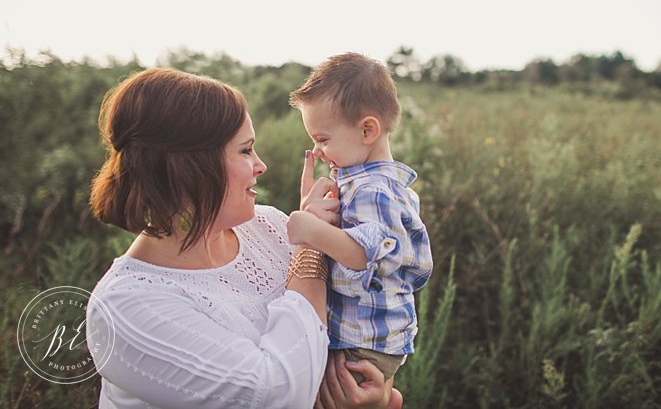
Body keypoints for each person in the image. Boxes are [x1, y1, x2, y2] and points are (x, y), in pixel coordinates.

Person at [85, 67, 400, 408]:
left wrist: (380, 391)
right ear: (192, 168)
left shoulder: (271, 227)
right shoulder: (126, 309)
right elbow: (276, 394)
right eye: (245, 150)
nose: (261, 165)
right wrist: (311, 246)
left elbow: (365, 315)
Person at [286, 53, 433, 383]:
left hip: (362, 345)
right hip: (365, 338)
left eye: (323, 139)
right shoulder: (367, 184)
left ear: (368, 130)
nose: (318, 151)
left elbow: (362, 255)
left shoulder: (375, 191)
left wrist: (308, 226)